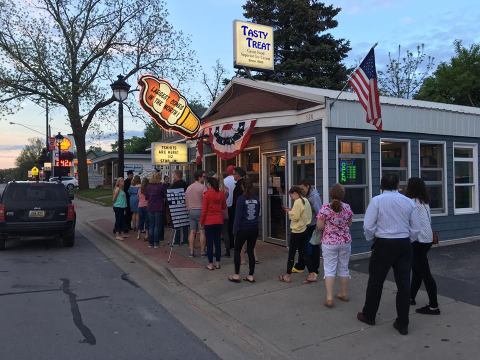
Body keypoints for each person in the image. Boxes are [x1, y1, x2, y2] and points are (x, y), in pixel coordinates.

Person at [358, 174, 421, 336]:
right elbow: (416, 228)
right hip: (403, 244)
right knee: (404, 284)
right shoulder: (408, 202)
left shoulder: (377, 201)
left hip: (383, 244)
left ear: (381, 186)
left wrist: (372, 238)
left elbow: (368, 225)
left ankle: (369, 315)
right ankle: (403, 323)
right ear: (398, 185)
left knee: (376, 281)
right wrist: (408, 240)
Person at [405, 177, 440, 315]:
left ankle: (434, 306)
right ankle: (411, 297)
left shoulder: (412, 203)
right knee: (418, 270)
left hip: (418, 241)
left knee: (425, 274)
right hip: (427, 240)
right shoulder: (424, 202)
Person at [316, 184, 353, 308]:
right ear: (343, 195)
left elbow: (320, 226)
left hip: (329, 242)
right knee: (344, 268)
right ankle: (344, 293)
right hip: (345, 241)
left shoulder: (325, 208)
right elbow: (350, 223)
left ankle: (330, 298)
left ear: (331, 194)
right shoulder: (347, 207)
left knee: (329, 269)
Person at [279, 186, 313, 283]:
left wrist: (289, 212)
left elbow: (295, 217)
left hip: (297, 231)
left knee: (292, 254)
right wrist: (292, 210)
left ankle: (287, 275)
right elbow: (306, 214)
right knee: (303, 252)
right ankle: (312, 273)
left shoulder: (297, 202)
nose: (291, 198)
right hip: (304, 229)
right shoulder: (305, 200)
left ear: (295, 193)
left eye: (291, 195)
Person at [228, 179, 260, 283]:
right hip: (254, 227)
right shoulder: (256, 199)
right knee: (250, 251)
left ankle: (236, 275)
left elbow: (237, 216)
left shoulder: (241, 199)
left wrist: (234, 230)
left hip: (243, 228)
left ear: (242, 187)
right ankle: (251, 275)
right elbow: (257, 213)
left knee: (237, 250)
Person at [293, 179, 323, 275]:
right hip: (304, 225)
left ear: (308, 186)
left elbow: (320, 213)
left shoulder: (314, 197)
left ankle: (315, 269)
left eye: (302, 188)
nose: (301, 190)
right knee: (302, 246)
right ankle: (300, 266)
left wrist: (319, 227)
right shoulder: (303, 195)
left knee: (314, 246)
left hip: (313, 225)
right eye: (300, 188)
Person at [200, 177, 226, 270]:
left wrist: (201, 222)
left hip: (209, 221)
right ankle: (218, 262)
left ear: (209, 184)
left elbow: (204, 210)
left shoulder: (206, 194)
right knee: (217, 242)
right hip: (219, 220)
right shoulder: (221, 194)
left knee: (210, 243)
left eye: (207, 184)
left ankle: (210, 264)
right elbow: (224, 207)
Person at [185, 170, 206, 257]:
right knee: (202, 231)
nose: (204, 178)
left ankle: (191, 251)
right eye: (203, 176)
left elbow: (186, 200)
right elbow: (206, 199)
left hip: (191, 210)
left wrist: (188, 209)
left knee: (192, 231)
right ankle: (202, 251)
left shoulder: (189, 187)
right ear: (199, 177)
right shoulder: (203, 187)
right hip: (200, 210)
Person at [145, 172, 167, 248]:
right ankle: (156, 243)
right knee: (157, 226)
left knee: (151, 225)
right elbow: (165, 195)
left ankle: (150, 243)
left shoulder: (148, 186)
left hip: (150, 207)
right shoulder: (161, 186)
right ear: (159, 178)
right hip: (159, 207)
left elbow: (146, 197)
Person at [171, 170, 189, 246]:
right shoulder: (185, 184)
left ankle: (176, 241)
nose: (172, 176)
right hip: (184, 205)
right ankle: (185, 240)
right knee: (185, 224)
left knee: (177, 224)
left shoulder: (174, 185)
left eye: (173, 175)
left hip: (176, 207)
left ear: (176, 175)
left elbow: (170, 195)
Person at [224, 165, 236, 254]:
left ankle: (230, 244)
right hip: (235, 205)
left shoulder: (224, 181)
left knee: (228, 227)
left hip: (226, 205)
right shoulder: (236, 180)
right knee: (236, 225)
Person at [219, 175, 231, 256]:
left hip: (216, 213)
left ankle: (218, 251)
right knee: (225, 232)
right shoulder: (226, 189)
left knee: (216, 233)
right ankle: (228, 250)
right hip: (225, 212)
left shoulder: (215, 191)